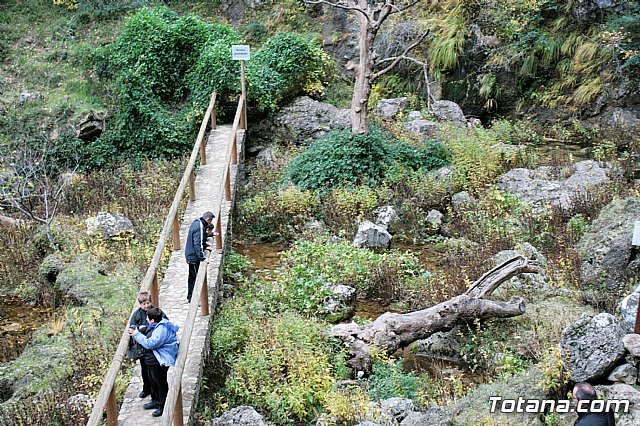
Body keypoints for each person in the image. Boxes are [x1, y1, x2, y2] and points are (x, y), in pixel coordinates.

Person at [128, 307, 179, 418]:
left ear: (152, 320)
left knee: (160, 382)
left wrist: (137, 334)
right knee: (152, 379)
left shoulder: (161, 330)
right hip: (155, 357)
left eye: (147, 317)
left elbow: (150, 343)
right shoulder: (158, 324)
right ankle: (156, 400)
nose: (146, 318)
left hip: (161, 358)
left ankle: (163, 405)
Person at [129, 291, 168, 400]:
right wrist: (138, 328)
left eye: (148, 303)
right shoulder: (137, 314)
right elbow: (132, 326)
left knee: (155, 373)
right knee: (145, 370)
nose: (146, 306)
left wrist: (145, 328)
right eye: (144, 304)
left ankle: (157, 395)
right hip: (142, 347)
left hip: (153, 346)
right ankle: (147, 389)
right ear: (140, 304)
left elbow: (164, 321)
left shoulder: (156, 312)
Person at [184, 211, 214, 303]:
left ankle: (190, 297)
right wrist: (203, 258)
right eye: (211, 221)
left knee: (192, 277)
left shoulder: (196, 222)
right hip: (193, 256)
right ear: (208, 219)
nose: (211, 223)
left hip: (190, 254)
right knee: (196, 277)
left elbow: (200, 239)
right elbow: (197, 243)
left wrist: (205, 245)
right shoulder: (200, 226)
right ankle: (194, 299)